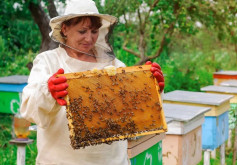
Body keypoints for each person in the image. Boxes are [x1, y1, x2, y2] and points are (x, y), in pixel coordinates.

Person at [20, 0, 165, 164]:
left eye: (94, 31)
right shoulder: (48, 61)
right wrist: (48, 91)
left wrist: (153, 89)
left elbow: (138, 112)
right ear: (65, 29)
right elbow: (29, 108)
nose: (89, 38)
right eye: (82, 31)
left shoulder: (114, 66)